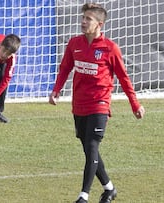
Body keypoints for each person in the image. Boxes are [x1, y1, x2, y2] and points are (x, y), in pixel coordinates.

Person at [49, 3, 145, 203]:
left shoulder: (110, 48)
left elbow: (124, 78)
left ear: (99, 24)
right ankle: (109, 188)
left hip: (100, 104)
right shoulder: (74, 43)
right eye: (83, 18)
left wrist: (135, 104)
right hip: (79, 104)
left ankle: (83, 196)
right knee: (88, 148)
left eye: (88, 19)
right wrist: (56, 90)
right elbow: (65, 68)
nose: (83, 22)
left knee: (92, 146)